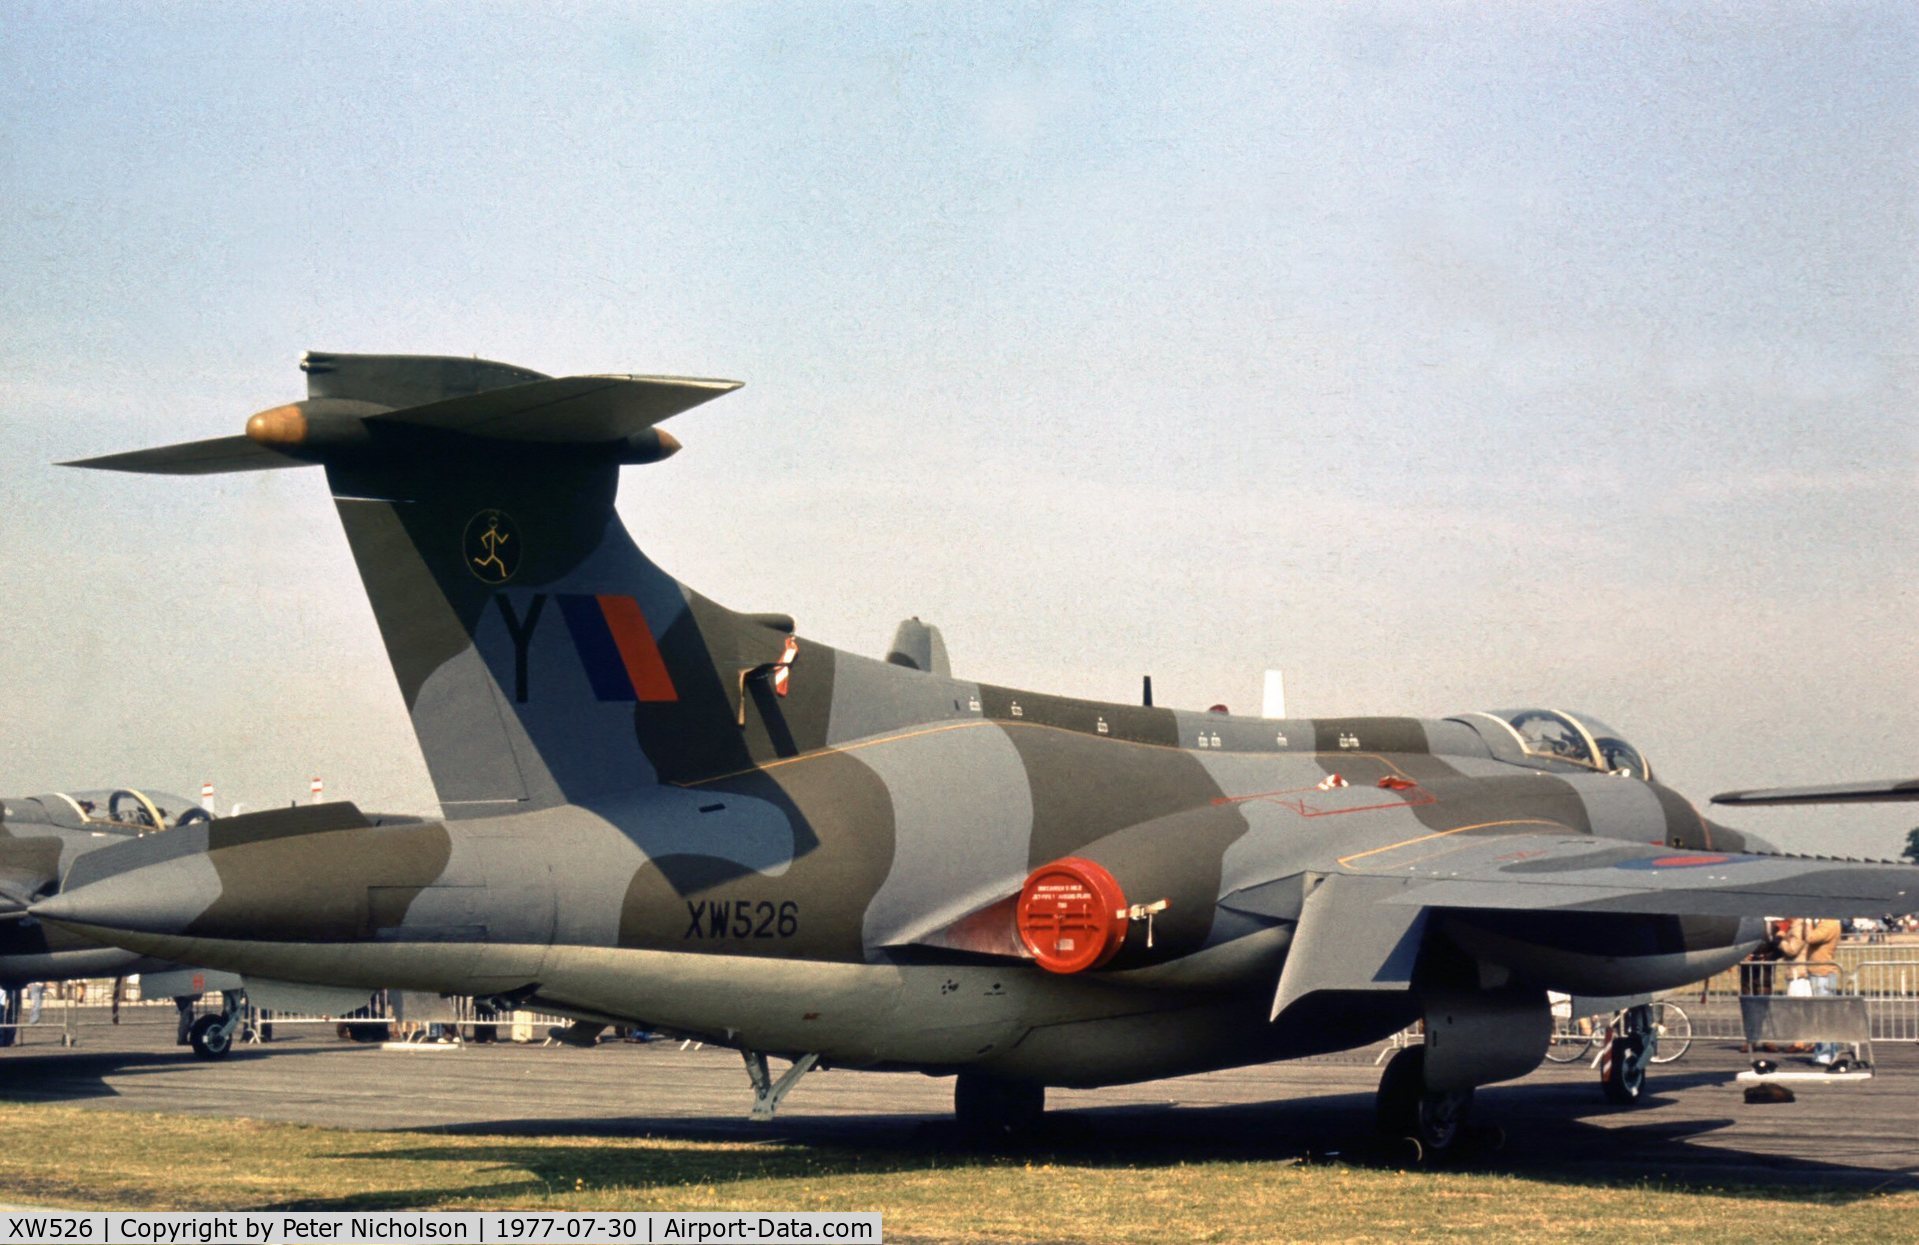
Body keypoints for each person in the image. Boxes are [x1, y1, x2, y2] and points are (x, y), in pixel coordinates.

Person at [1779, 917, 1844, 1065]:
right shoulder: (1827, 923)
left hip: (1822, 972)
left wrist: (1807, 924)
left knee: (1822, 1014)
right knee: (1823, 1014)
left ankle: (1825, 1053)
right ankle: (1828, 1051)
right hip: (1818, 971)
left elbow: (1811, 938)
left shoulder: (1829, 924)